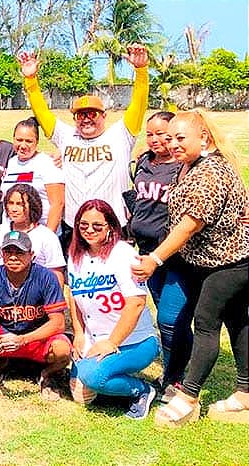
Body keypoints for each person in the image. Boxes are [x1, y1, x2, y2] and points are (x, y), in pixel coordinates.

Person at [131, 110, 249, 426]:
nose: (173, 144)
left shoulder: (209, 173)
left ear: (203, 138)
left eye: (180, 138)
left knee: (206, 324)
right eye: (171, 138)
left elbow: (187, 226)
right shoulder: (191, 165)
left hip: (229, 264)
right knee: (238, 322)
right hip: (212, 261)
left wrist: (154, 260)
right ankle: (245, 394)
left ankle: (188, 396)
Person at [17, 44, 149, 246]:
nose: (86, 119)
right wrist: (30, 80)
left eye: (92, 114)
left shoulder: (121, 134)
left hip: (112, 225)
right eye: (80, 115)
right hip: (75, 225)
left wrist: (141, 71)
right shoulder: (65, 136)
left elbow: (138, 103)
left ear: (104, 116)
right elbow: (41, 111)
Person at [67, 199, 159, 420]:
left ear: (110, 226)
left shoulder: (123, 254)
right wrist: (79, 334)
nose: (89, 230)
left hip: (134, 341)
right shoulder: (76, 255)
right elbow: (73, 296)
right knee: (82, 396)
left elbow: (136, 304)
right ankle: (112, 378)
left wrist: (112, 343)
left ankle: (141, 390)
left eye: (97, 226)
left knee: (93, 377)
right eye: (83, 225)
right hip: (93, 337)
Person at [0, 231, 71, 401]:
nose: (13, 257)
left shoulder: (46, 277)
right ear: (1, 254)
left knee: (63, 350)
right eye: (8, 252)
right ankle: (3, 362)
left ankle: (47, 374)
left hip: (36, 335)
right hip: (4, 334)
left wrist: (23, 339)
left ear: (32, 255)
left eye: (20, 252)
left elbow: (58, 323)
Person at [125, 111, 188, 398]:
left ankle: (176, 378)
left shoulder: (185, 166)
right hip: (147, 252)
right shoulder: (142, 162)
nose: (155, 139)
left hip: (177, 254)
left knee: (169, 317)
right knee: (167, 313)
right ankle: (173, 368)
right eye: (150, 134)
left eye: (162, 133)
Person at [0, 184, 65, 285]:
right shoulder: (0, 231)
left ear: (32, 205)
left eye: (20, 204)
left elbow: (56, 273)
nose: (14, 209)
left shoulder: (47, 236)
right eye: (11, 203)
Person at [0, 117, 65, 232]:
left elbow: (58, 204)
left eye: (29, 141)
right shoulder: (12, 162)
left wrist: (48, 237)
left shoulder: (47, 163)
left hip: (40, 230)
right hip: (14, 232)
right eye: (19, 140)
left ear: (37, 142)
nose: (23, 145)